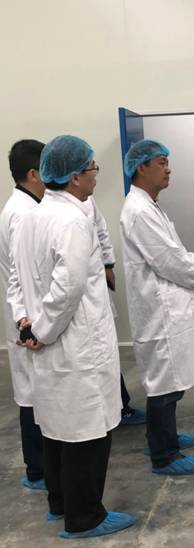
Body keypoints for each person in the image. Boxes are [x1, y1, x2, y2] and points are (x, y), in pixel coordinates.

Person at [8, 134, 136, 538]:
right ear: (75, 176)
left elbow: (16, 278)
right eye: (93, 168)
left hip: (47, 343)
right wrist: (43, 331)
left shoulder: (35, 215)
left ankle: (60, 503)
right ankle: (84, 518)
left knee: (56, 429)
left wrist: (27, 323)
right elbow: (68, 289)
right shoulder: (72, 221)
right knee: (86, 432)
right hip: (75, 344)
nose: (96, 175)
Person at [120, 139, 194, 474]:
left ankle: (163, 436)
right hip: (159, 310)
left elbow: (176, 249)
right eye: (161, 163)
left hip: (170, 305)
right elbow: (166, 259)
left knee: (172, 380)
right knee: (164, 382)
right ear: (141, 167)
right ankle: (164, 454)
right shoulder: (139, 210)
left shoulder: (150, 205)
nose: (168, 169)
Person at [0, 140, 46, 490]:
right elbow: (20, 274)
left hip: (27, 317)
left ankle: (40, 468)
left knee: (33, 393)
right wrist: (27, 324)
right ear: (33, 173)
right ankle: (38, 471)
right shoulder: (23, 213)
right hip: (27, 322)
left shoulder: (26, 206)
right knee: (33, 395)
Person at [82, 196, 145, 426]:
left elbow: (101, 231)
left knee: (106, 351)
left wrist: (108, 263)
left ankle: (121, 407)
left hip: (93, 287)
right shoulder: (37, 211)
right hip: (74, 299)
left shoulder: (87, 200)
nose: (94, 179)